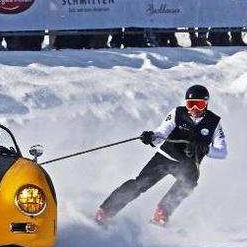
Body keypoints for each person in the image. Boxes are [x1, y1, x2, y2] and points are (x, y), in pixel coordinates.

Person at [96, 85, 227, 227]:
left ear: (206, 104)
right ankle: (105, 212)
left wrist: (205, 149)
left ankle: (162, 213)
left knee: (189, 182)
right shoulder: (177, 113)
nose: (194, 109)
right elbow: (162, 132)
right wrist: (151, 137)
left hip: (188, 164)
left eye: (199, 104)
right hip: (166, 157)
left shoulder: (213, 122)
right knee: (140, 183)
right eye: (191, 104)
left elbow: (222, 152)